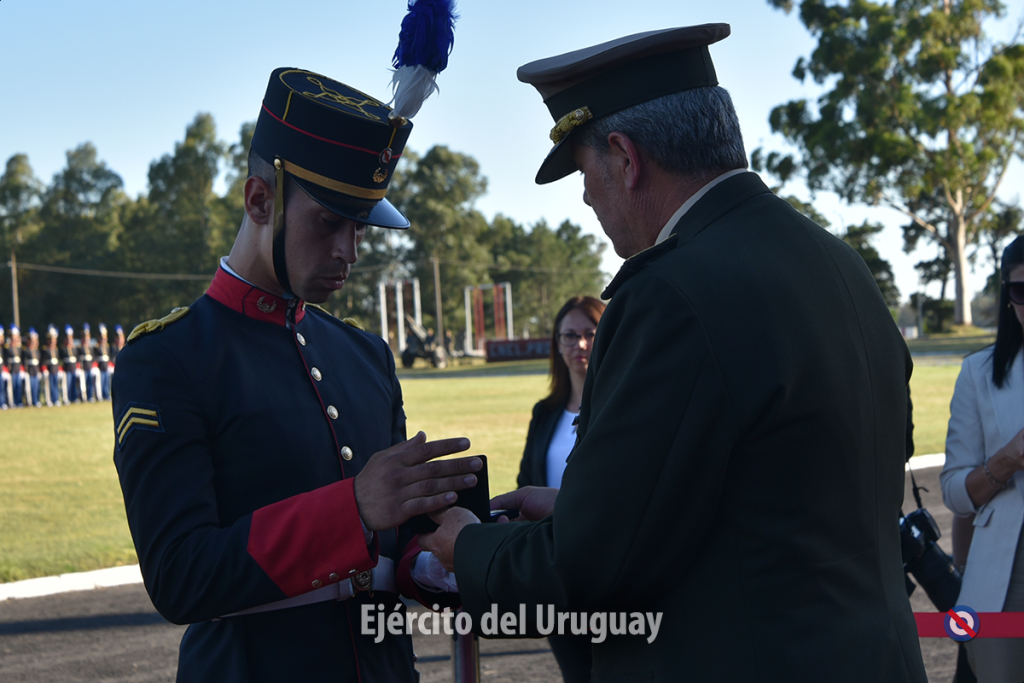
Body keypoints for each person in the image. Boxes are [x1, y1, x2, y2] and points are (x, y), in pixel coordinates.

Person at [422, 24, 926, 681]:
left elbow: (593, 565)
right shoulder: (838, 262)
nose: (587, 196)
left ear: (625, 159)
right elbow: (785, 492)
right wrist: (577, 509)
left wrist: (468, 545)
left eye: (584, 172)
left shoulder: (670, 294)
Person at [111, 67, 476, 682]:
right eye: (329, 222)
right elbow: (178, 575)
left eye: (360, 226)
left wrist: (446, 556)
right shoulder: (167, 358)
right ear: (259, 200)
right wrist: (352, 508)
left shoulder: (366, 354)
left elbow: (391, 545)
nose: (349, 251)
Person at [942, 235, 1024, 682]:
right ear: (1008, 296)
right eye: (1022, 290)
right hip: (1006, 577)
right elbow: (955, 493)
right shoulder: (978, 373)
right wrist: (1007, 460)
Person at [516, 295, 605, 683]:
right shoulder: (545, 412)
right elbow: (525, 484)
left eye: (590, 333)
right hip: (556, 574)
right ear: (557, 343)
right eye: (569, 335)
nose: (579, 344)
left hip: (608, 573)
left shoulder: (618, 409)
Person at [24, 328, 42, 407]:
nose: (33, 343)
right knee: (29, 388)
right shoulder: (26, 350)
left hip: (36, 370)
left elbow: (38, 362)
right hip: (29, 370)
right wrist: (25, 371)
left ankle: (36, 400)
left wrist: (39, 371)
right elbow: (25, 361)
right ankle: (29, 401)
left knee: (36, 387)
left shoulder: (37, 351)